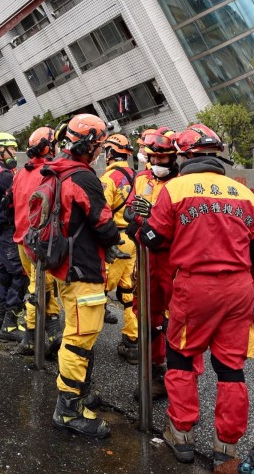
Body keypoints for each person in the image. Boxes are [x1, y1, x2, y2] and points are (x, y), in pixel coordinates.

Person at [134, 123, 254, 466]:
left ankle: (180, 435)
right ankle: (226, 446)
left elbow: (153, 238)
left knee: (181, 357)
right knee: (231, 369)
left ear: (185, 156)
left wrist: (137, 227)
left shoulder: (176, 189)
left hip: (196, 287)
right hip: (239, 287)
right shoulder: (242, 192)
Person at [45, 113, 121, 438]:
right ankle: (68, 410)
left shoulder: (58, 171)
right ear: (89, 144)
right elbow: (103, 223)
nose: (100, 150)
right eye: (99, 144)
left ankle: (81, 393)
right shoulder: (84, 178)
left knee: (81, 334)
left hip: (66, 266)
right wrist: (118, 237)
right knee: (78, 339)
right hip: (83, 270)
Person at [126, 127, 179, 396]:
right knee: (147, 314)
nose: (158, 164)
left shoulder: (180, 184)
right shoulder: (141, 179)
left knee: (178, 317)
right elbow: (128, 211)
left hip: (172, 258)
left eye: (163, 160)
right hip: (146, 257)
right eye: (154, 159)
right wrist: (140, 221)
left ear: (174, 159)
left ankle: (180, 377)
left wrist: (150, 222)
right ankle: (155, 372)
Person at [12, 126, 63, 356]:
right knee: (39, 288)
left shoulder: (21, 172)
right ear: (48, 147)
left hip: (22, 239)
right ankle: (31, 337)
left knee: (44, 287)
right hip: (40, 241)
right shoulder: (49, 172)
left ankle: (51, 333)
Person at [0, 131, 28, 341]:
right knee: (20, 273)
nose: (14, 153)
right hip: (5, 229)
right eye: (11, 150)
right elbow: (17, 187)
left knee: (5, 272)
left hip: (2, 228)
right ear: (2, 150)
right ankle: (9, 327)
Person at [99, 133, 138, 363]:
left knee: (98, 288)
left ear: (110, 153)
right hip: (134, 240)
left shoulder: (109, 179)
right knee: (129, 292)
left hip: (114, 240)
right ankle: (132, 342)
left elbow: (101, 213)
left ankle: (85, 343)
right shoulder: (138, 177)